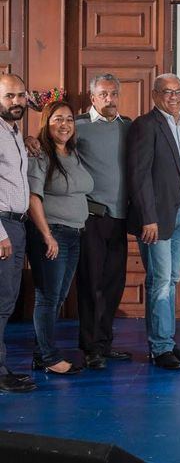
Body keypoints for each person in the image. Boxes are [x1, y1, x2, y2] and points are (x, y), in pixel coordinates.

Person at [127, 73, 180, 370]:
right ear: (155, 95)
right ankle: (160, 348)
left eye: (179, 91)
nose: (174, 97)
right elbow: (139, 175)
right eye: (167, 92)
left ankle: (166, 341)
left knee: (172, 280)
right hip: (156, 218)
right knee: (161, 282)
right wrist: (148, 218)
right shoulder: (145, 125)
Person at [27, 101, 93, 375]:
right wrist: (46, 236)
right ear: (46, 122)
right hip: (51, 233)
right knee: (48, 296)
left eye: (69, 119)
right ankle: (48, 357)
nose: (64, 125)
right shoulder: (40, 155)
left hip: (74, 233)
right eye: (57, 119)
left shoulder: (73, 154)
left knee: (59, 295)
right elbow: (33, 198)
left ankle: (43, 352)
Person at [75, 74, 132, 369]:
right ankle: (90, 347)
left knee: (114, 284)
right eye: (103, 94)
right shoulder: (77, 126)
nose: (110, 99)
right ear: (93, 97)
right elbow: (51, 147)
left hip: (121, 218)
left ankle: (104, 343)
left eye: (114, 94)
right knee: (90, 284)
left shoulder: (129, 127)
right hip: (92, 217)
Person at [0, 74, 37, 392]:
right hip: (3, 226)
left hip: (16, 222)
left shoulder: (13, 131)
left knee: (6, 301)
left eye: (20, 95)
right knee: (1, 302)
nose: (15, 101)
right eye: (8, 96)